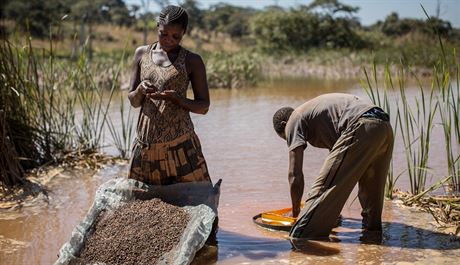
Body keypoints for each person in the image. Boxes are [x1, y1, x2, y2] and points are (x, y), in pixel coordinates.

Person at [272, 93, 394, 239]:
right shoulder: (317, 116)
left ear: (285, 125)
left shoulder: (293, 119)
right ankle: (372, 241)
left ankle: (302, 239)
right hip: (383, 126)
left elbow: (295, 175)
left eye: (286, 137)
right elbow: (338, 175)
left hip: (361, 123)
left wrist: (296, 212)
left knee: (306, 227)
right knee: (371, 193)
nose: (290, 139)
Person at [127, 5, 211, 185]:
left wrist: (177, 99)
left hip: (181, 147)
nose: (169, 40)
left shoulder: (192, 60)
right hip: (146, 146)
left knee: (193, 201)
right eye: (163, 34)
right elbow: (133, 101)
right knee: (142, 205)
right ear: (157, 26)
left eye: (176, 36)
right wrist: (141, 89)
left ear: (184, 33)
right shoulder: (142, 53)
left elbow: (203, 107)